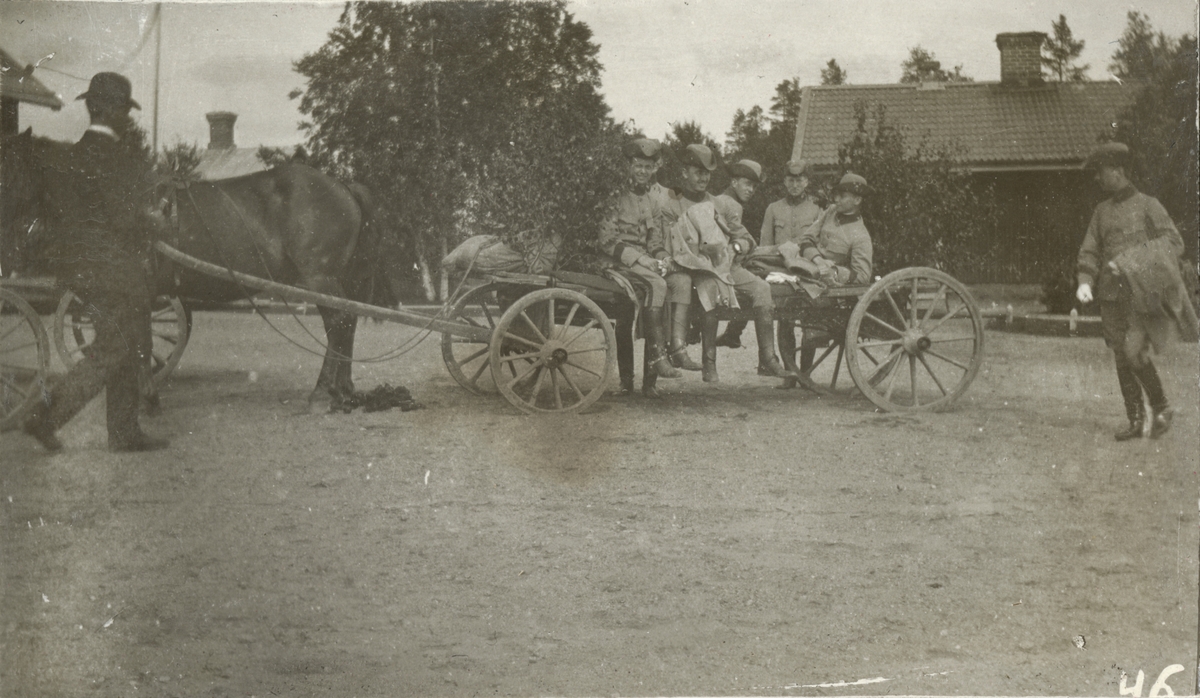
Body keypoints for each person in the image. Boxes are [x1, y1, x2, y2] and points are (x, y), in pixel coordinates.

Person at [21, 72, 169, 453]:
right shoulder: (117, 158)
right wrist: (156, 221)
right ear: (111, 111)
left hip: (82, 268)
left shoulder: (72, 154)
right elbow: (124, 219)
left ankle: (124, 432)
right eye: (125, 109)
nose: (128, 117)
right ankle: (45, 417)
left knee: (125, 340)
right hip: (115, 270)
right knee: (115, 349)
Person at [1075, 142, 1190, 441]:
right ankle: (1136, 419)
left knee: (1132, 351)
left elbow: (1175, 243)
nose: (1097, 179)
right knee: (1120, 355)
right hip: (1111, 296)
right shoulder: (1101, 212)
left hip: (1141, 295)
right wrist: (1085, 280)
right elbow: (1089, 249)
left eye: (1101, 172)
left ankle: (1162, 407)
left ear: (1118, 171)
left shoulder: (1149, 205)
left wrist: (1130, 262)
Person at [659, 144, 794, 383]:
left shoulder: (720, 204)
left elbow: (746, 238)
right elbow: (671, 246)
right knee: (710, 291)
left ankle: (768, 359)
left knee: (762, 289)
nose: (703, 177)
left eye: (707, 173)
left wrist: (737, 246)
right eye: (697, 171)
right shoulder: (672, 204)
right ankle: (709, 363)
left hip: (726, 267)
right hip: (694, 271)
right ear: (684, 173)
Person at [597, 138, 682, 398]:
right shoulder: (614, 197)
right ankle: (630, 379)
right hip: (616, 263)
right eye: (637, 166)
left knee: (667, 286)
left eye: (648, 167)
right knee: (654, 289)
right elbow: (607, 240)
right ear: (628, 166)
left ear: (654, 168)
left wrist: (663, 257)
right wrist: (640, 259)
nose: (643, 172)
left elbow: (654, 241)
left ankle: (650, 383)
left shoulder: (653, 201)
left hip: (642, 264)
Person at [787, 172, 874, 386]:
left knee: (807, 311)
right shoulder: (831, 212)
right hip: (809, 266)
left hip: (829, 288)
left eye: (843, 196)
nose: (837, 200)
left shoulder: (860, 236)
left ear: (857, 200)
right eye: (838, 195)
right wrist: (817, 259)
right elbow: (807, 238)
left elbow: (862, 275)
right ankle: (790, 372)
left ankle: (801, 373)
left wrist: (833, 270)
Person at [711, 159, 762, 352]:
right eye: (747, 184)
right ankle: (766, 359)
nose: (751, 190)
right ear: (734, 182)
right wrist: (746, 243)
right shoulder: (732, 205)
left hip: (714, 261)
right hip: (723, 266)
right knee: (761, 288)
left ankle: (733, 334)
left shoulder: (717, 199)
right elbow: (742, 236)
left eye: (754, 186)